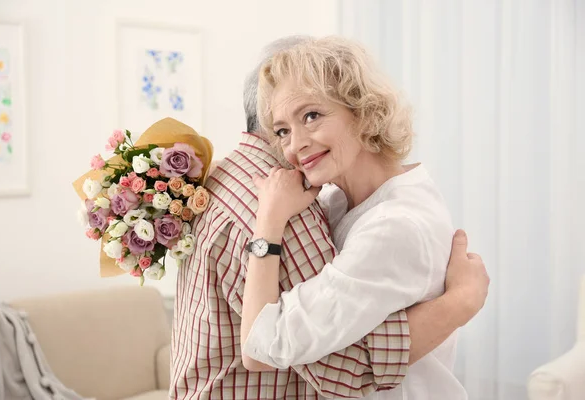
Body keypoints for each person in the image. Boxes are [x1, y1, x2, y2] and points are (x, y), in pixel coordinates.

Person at [169, 36, 489, 400]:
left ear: (364, 111)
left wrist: (269, 221)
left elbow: (263, 344)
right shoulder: (340, 199)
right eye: (282, 131)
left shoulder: (394, 226)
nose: (295, 145)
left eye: (312, 116)